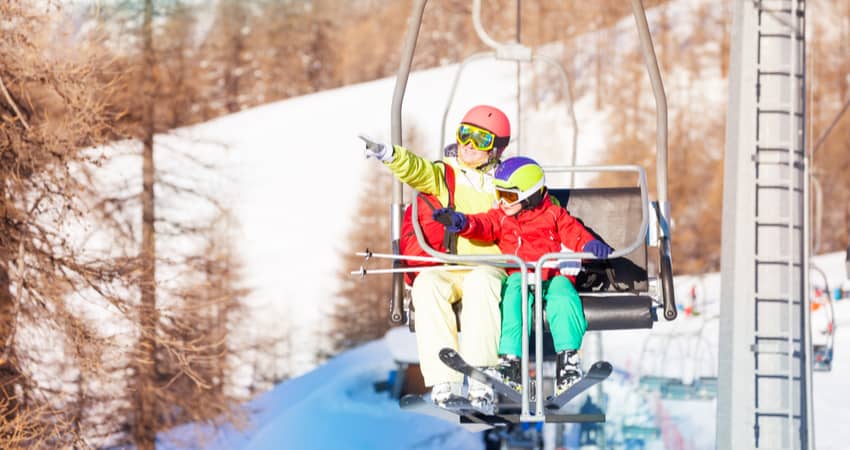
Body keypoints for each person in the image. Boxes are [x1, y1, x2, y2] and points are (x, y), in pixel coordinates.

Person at [360, 105, 512, 411]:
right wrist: (390, 154)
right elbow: (418, 171)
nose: (469, 145)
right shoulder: (446, 174)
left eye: (480, 139)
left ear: (495, 148)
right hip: (450, 266)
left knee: (482, 285)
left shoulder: (506, 181)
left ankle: (482, 377)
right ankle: (445, 381)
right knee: (427, 284)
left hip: (489, 266)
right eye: (464, 134)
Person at [432, 156, 612, 395]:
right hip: (521, 276)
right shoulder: (501, 217)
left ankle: (568, 361)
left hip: (552, 276)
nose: (501, 201)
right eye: (498, 194)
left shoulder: (555, 215)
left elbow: (575, 235)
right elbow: (482, 225)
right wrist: (461, 222)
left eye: (508, 196)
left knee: (564, 296)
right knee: (512, 296)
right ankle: (511, 362)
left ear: (531, 195)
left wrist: (590, 246)